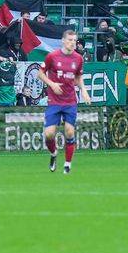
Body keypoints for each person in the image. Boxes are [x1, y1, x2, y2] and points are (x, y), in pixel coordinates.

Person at [40, 30, 90, 174]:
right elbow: (40, 73)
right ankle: (54, 153)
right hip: (54, 100)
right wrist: (52, 84)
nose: (72, 42)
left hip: (70, 100)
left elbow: (79, 77)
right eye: (69, 40)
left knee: (69, 131)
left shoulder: (78, 58)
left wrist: (84, 90)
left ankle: (67, 164)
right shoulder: (52, 56)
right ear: (63, 41)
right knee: (49, 134)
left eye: (74, 40)